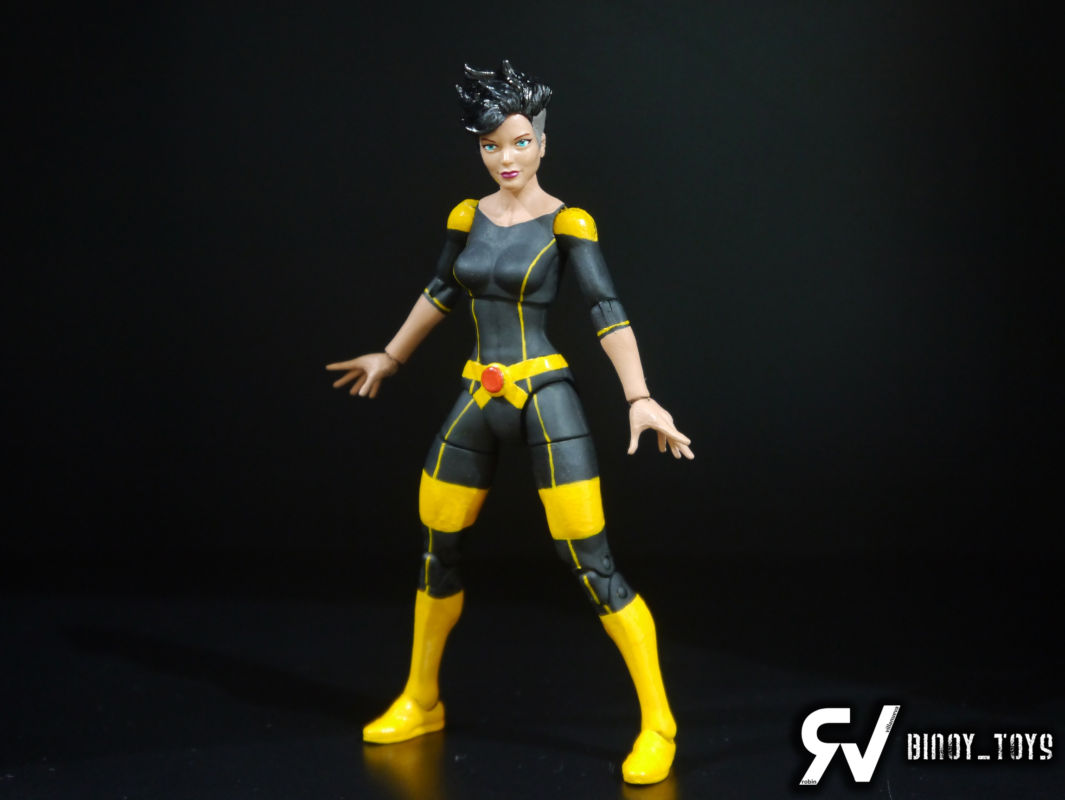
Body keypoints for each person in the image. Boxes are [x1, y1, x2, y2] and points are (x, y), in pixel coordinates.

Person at [326, 60, 693, 785]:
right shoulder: (466, 217)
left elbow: (605, 310)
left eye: (519, 142)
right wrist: (391, 357)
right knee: (436, 549)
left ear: (543, 143)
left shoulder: (568, 223)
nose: (506, 158)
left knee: (591, 563)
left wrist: (638, 396)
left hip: (542, 394)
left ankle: (659, 723)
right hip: (476, 393)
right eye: (491, 146)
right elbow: (440, 290)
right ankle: (421, 699)